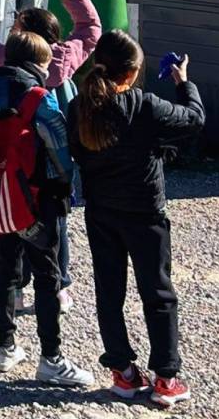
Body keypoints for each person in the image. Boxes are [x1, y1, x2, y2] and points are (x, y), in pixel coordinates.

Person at [68, 30, 203, 407]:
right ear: (130, 74)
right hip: (144, 212)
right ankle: (166, 378)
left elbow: (78, 152)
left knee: (109, 291)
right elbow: (194, 120)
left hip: (101, 211)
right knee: (157, 292)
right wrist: (184, 83)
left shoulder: (78, 108)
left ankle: (123, 373)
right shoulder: (144, 106)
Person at [0, 0, 102, 313]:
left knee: (16, 220)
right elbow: (90, 30)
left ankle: (18, 289)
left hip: (12, 162)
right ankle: (59, 287)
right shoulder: (62, 58)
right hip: (50, 164)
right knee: (56, 226)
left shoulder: (3, 61)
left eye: (17, 28)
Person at [0, 31, 93, 386]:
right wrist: (68, 184)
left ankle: (4, 346)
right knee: (47, 274)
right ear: (37, 64)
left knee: (6, 266)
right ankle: (51, 358)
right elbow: (59, 147)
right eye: (46, 63)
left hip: (3, 192)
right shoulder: (39, 97)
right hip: (38, 195)